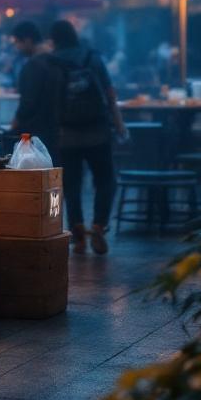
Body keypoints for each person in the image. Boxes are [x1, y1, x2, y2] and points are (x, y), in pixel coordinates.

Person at [50, 20, 127, 255]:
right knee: (105, 180)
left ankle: (78, 233)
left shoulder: (52, 62)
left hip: (67, 134)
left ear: (54, 39)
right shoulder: (92, 57)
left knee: (71, 184)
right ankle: (99, 226)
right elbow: (109, 93)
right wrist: (119, 124)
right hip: (97, 132)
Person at [10, 21, 61, 153]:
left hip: (38, 131)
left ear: (27, 40)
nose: (17, 47)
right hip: (59, 128)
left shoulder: (33, 66)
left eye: (17, 42)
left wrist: (16, 121)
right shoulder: (57, 59)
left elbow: (28, 102)